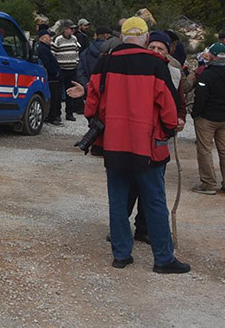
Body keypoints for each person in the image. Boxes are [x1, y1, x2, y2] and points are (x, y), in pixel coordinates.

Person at [84, 16, 190, 274]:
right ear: (145, 39)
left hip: (114, 143)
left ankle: (121, 255)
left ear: (121, 37)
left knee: (118, 200)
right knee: (154, 200)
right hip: (148, 145)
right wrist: (165, 132)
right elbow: (168, 108)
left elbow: (91, 105)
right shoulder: (156, 63)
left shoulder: (105, 62)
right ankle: (163, 259)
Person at [191, 42, 225, 195]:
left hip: (207, 117)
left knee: (204, 150)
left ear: (211, 55)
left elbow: (201, 97)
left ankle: (209, 184)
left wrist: (195, 113)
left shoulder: (207, 74)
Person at [54, 22, 82, 121]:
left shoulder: (74, 39)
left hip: (72, 69)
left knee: (70, 92)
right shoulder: (58, 39)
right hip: (61, 69)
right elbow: (53, 54)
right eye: (71, 28)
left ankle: (69, 113)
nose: (72, 31)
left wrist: (76, 61)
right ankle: (57, 114)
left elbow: (76, 51)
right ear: (65, 29)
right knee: (58, 93)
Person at [35, 29, 63, 126]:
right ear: (43, 38)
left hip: (53, 77)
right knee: (54, 98)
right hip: (52, 78)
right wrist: (55, 73)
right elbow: (46, 63)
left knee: (55, 97)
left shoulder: (45, 48)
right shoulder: (43, 49)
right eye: (48, 36)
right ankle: (53, 117)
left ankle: (52, 116)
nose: (50, 39)